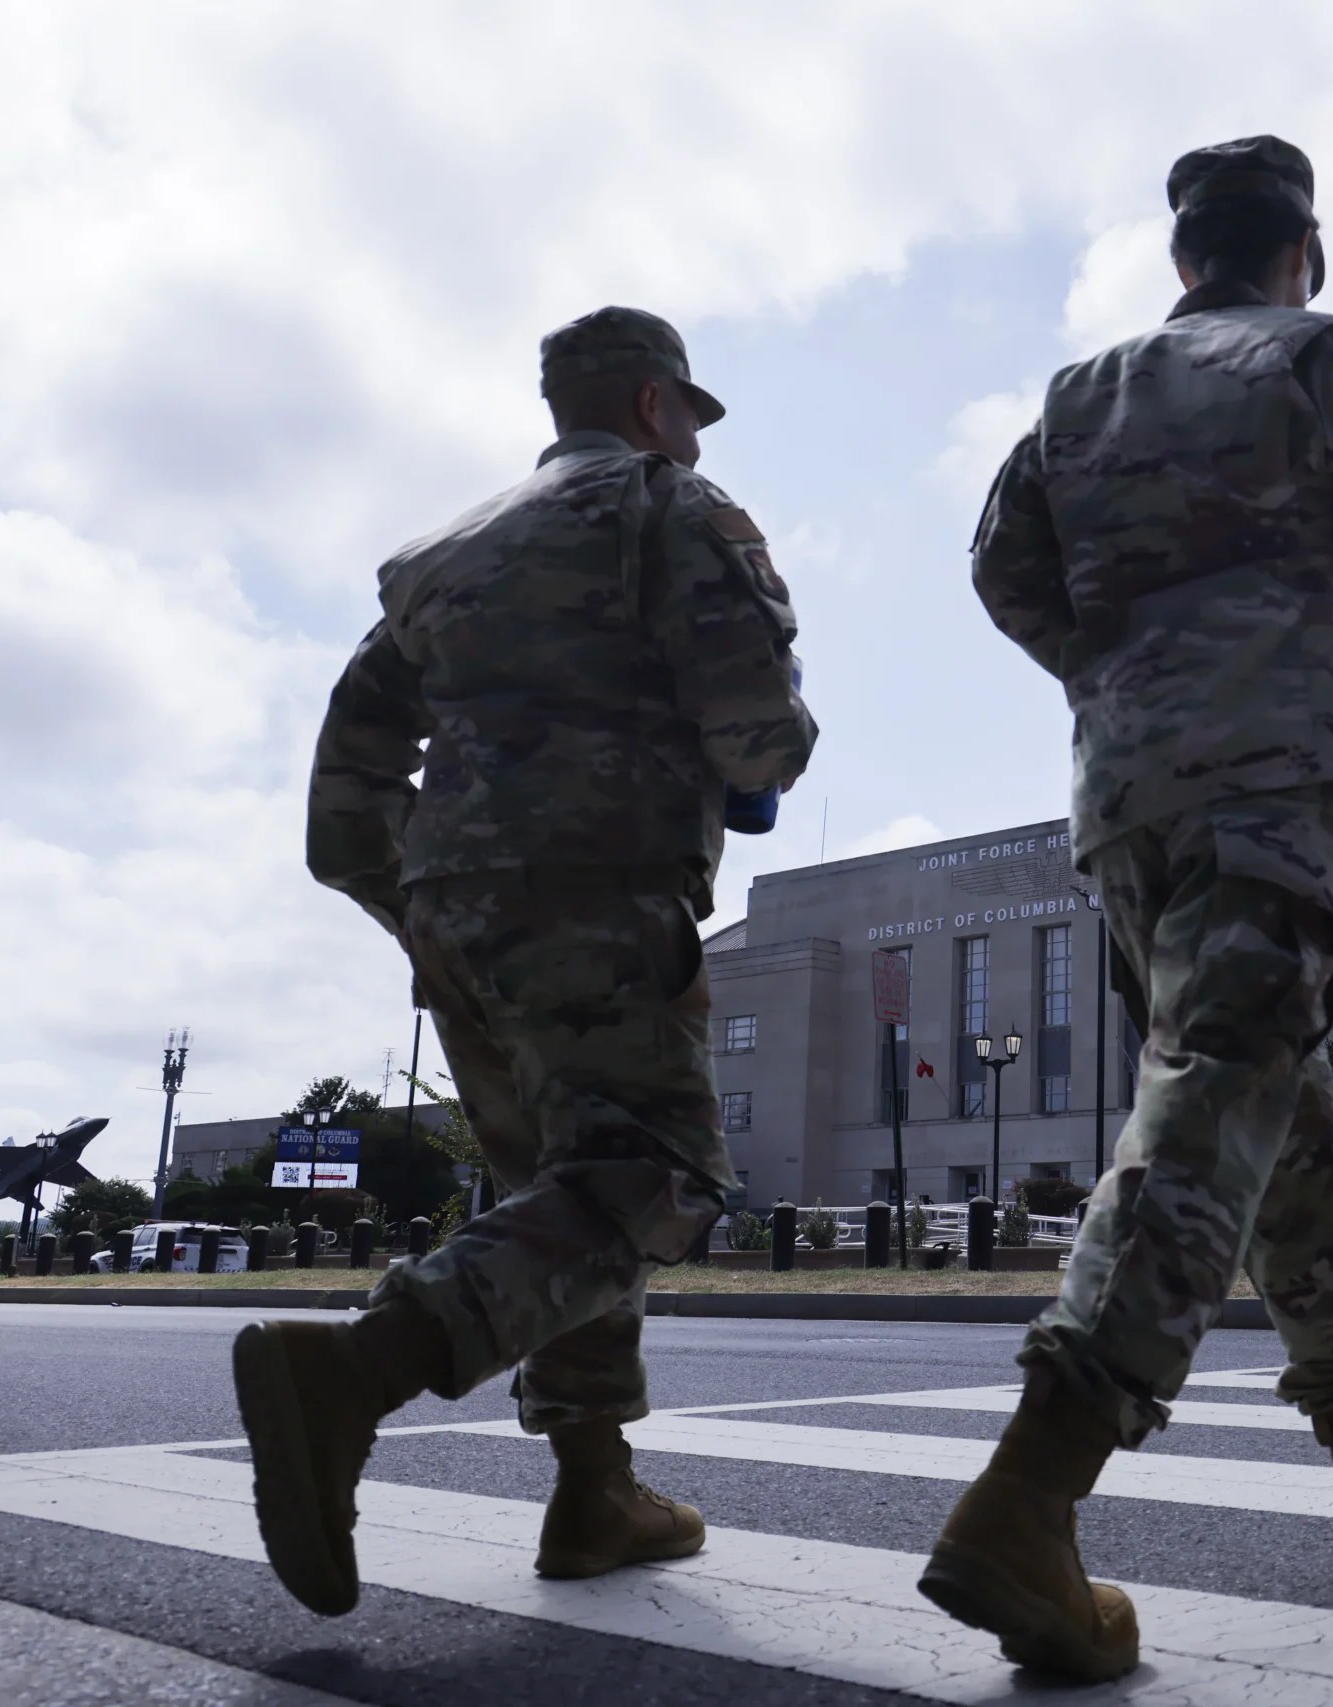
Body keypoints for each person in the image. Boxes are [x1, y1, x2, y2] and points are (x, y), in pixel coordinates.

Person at [920, 136, 1333, 1681]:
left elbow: (1004, 566)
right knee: (1221, 1099)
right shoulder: (1323, 358)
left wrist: (1113, 672)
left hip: (1126, 804)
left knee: (1281, 1131)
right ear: (1305, 250)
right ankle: (1032, 1492)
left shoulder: (1082, 395)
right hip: (1274, 779)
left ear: (1181, 256)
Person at [237, 306, 817, 1617]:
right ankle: (357, 1370)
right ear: (659, 405)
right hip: (604, 884)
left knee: (560, 1192)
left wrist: (421, 905)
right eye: (689, 415)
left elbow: (345, 795)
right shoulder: (675, 510)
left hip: (452, 904)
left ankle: (596, 1487)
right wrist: (764, 759)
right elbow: (757, 735)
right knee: (654, 1175)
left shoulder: (439, 558)